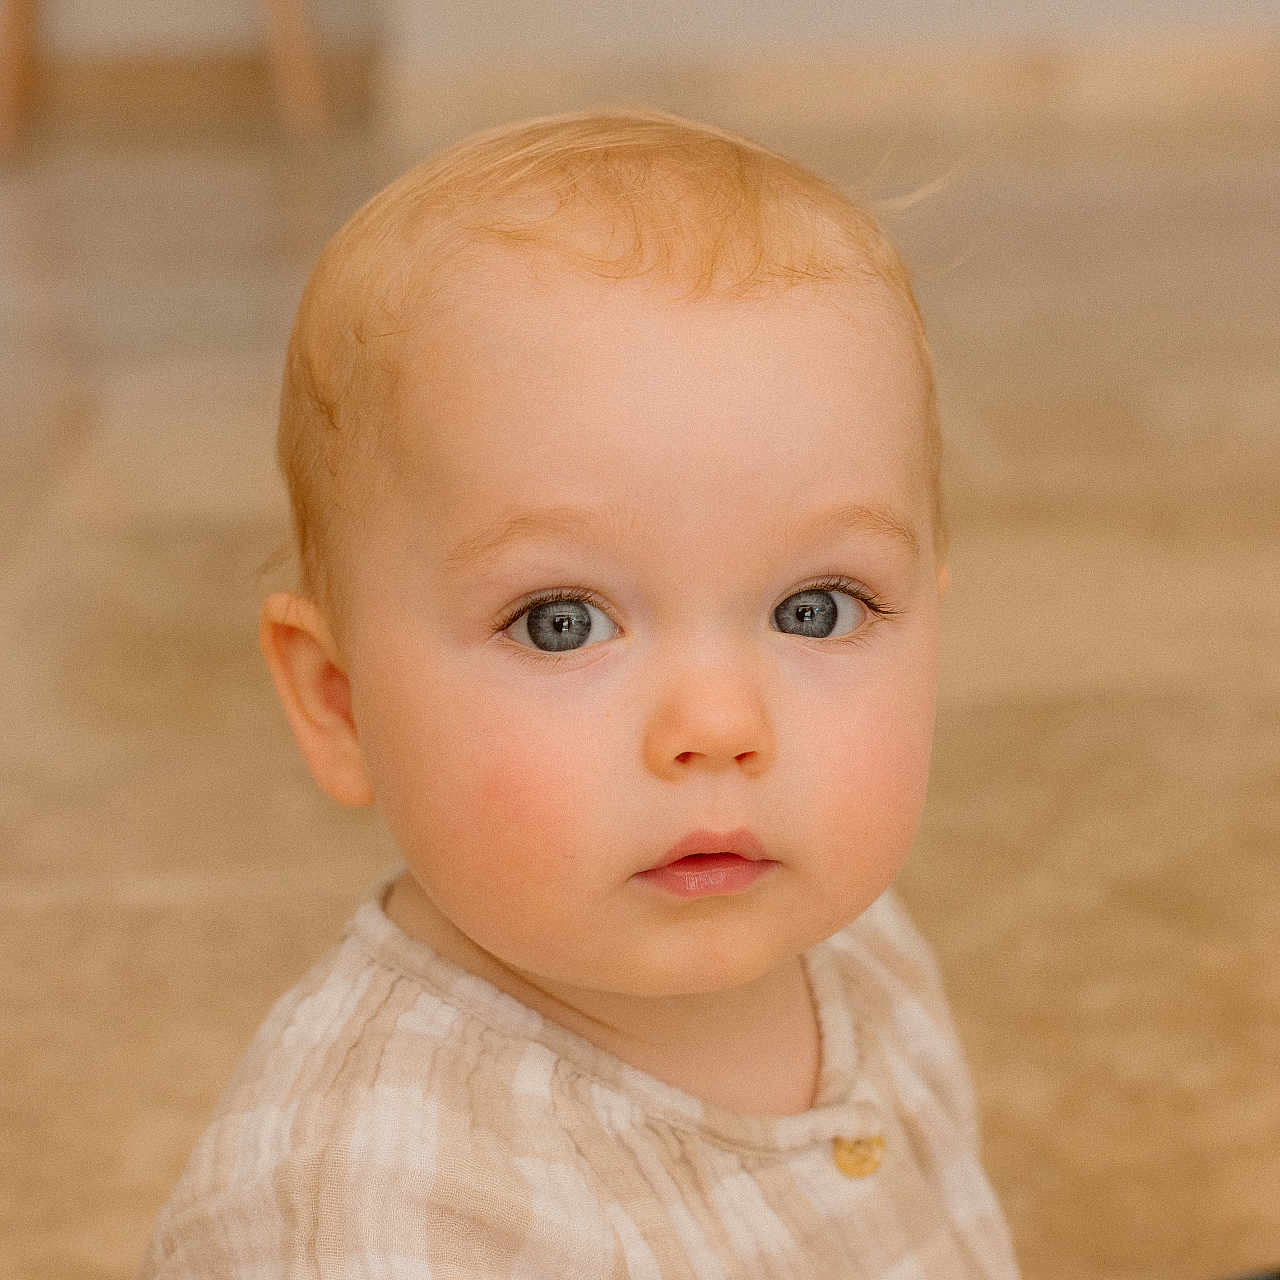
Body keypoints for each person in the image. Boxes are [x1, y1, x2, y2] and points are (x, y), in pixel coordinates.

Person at [138, 106, 1020, 1278]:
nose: (719, 726)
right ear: (339, 700)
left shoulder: (855, 937)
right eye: (562, 622)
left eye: (814, 607)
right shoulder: (382, 1210)